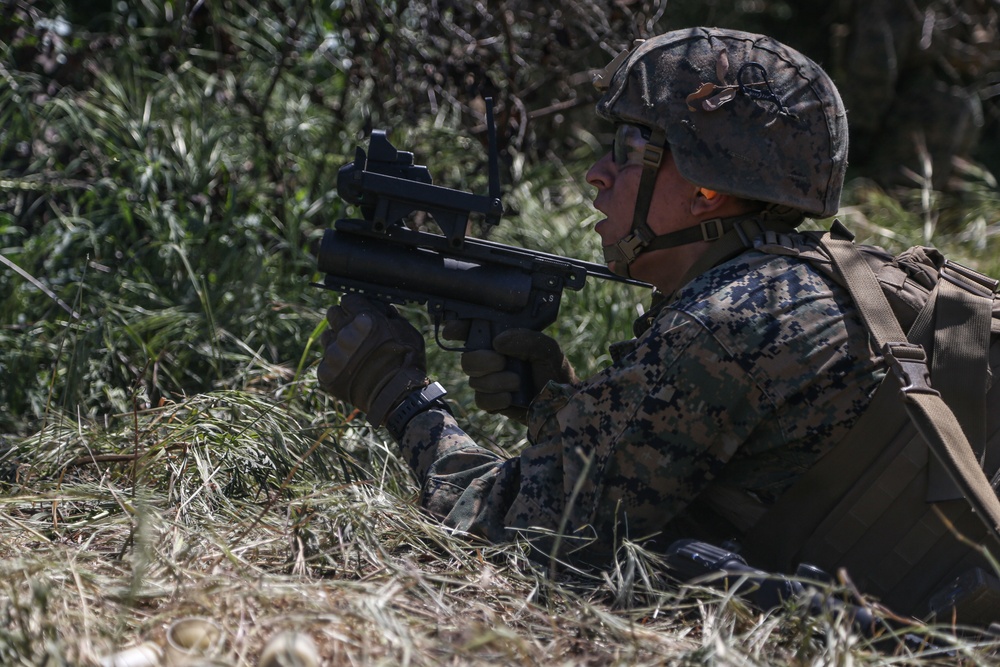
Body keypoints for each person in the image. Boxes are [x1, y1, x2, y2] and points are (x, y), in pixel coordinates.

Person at [317, 27, 883, 566]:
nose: (596, 173)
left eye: (629, 149)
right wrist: (566, 405)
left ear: (707, 189)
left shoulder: (727, 323)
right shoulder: (832, 281)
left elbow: (520, 534)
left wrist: (400, 397)